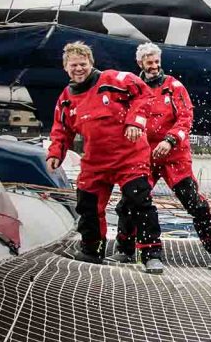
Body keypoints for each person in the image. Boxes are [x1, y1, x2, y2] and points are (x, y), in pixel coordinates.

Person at [46, 41, 164, 274]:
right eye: (73, 66)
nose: (78, 69)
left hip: (129, 156)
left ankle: (151, 254)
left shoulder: (114, 79)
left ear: (91, 63)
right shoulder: (66, 98)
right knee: (87, 205)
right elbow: (61, 129)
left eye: (82, 64)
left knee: (139, 201)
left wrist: (135, 122)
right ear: (66, 68)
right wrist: (55, 153)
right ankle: (92, 250)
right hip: (95, 160)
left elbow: (144, 95)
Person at [111, 43, 211, 270]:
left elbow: (185, 117)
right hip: (145, 156)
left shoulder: (174, 86)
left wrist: (170, 140)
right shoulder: (133, 89)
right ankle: (124, 249)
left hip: (175, 156)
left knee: (194, 202)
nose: (153, 67)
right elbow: (125, 118)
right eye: (149, 63)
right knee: (129, 202)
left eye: (156, 62)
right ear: (140, 64)